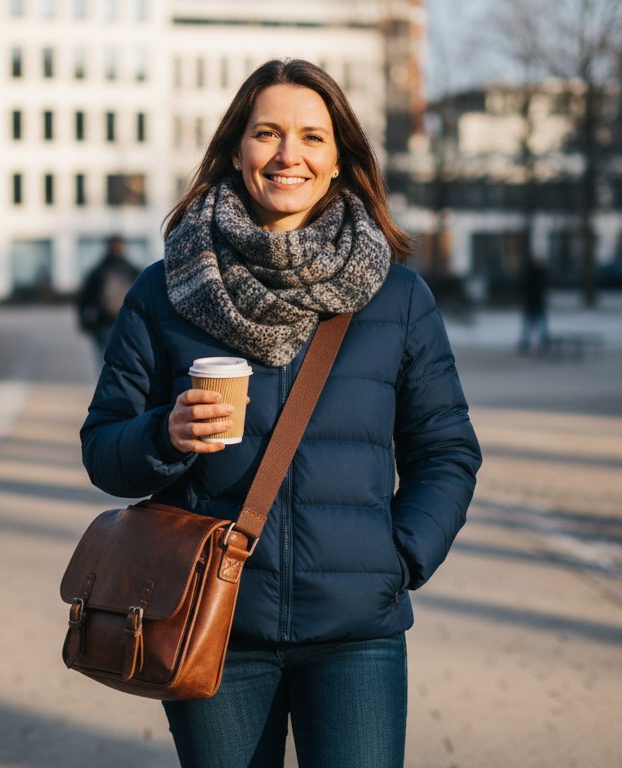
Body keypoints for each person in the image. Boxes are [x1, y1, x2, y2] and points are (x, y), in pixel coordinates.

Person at [80, 59, 482, 767]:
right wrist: (164, 433)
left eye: (311, 137)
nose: (288, 154)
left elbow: (447, 451)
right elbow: (103, 450)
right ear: (237, 150)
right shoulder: (165, 290)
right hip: (211, 624)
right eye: (267, 133)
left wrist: (401, 558)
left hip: (357, 633)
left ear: (338, 160)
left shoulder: (397, 297)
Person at [76, 234, 140, 359]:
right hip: (128, 324)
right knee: (127, 360)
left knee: (105, 360)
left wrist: (85, 323)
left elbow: (84, 299)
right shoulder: (132, 270)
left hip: (103, 323)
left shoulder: (98, 270)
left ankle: (107, 378)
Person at [517, 253, 550, 353]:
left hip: (535, 302)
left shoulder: (534, 273)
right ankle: (529, 341)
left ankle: (541, 341)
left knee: (537, 324)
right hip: (533, 302)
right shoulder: (533, 273)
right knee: (531, 324)